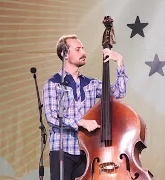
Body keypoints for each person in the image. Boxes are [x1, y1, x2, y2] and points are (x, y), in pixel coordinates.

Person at [42, 35, 128, 180]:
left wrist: (119, 62)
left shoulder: (91, 84)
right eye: (78, 49)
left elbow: (119, 92)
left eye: (83, 48)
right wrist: (81, 122)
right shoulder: (53, 83)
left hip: (87, 152)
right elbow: (51, 117)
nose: (83, 52)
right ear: (65, 54)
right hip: (62, 151)